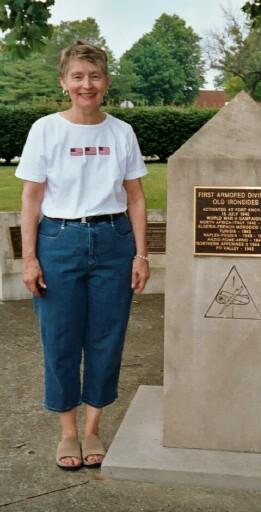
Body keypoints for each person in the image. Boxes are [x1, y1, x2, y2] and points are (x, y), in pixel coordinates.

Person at [15, 40, 150, 470]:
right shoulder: (46, 130)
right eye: (77, 76)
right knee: (59, 339)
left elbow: (136, 198)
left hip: (114, 242)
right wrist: (30, 258)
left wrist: (141, 255)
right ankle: (68, 433)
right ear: (64, 81)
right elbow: (31, 199)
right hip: (60, 242)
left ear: (106, 81)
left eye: (94, 76)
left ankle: (93, 428)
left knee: (106, 339)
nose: (86, 85)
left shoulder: (121, 132)